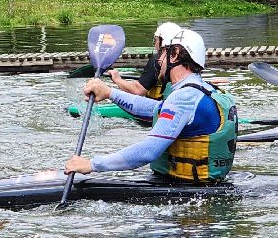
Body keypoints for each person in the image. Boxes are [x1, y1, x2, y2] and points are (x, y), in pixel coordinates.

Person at [64, 28, 238, 184]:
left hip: (186, 191)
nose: (158, 60)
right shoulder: (203, 90)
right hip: (202, 185)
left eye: (162, 53)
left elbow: (148, 151)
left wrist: (92, 164)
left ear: (175, 54)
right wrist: (110, 93)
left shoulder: (183, 98)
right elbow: (154, 109)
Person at [109, 21, 183, 99]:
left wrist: (117, 79)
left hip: (159, 104)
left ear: (162, 41)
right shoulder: (186, 58)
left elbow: (138, 90)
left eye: (156, 40)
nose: (155, 45)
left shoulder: (158, 60)